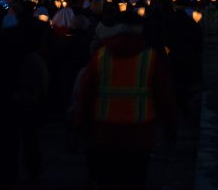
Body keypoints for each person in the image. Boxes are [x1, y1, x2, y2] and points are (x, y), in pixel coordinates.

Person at [74, 10, 176, 190]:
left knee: (107, 181)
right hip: (140, 134)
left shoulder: (100, 57)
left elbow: (85, 95)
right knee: (135, 181)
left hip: (104, 132)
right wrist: (170, 128)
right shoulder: (150, 58)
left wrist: (82, 126)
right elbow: (165, 96)